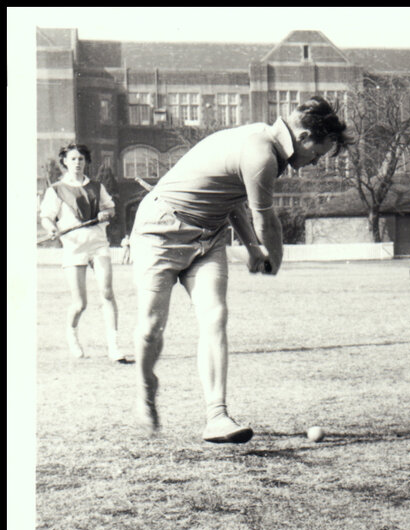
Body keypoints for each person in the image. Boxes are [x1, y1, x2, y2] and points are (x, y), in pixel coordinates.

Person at [130, 95, 350, 442]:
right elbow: (266, 220)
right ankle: (146, 388)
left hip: (210, 237)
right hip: (160, 232)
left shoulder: (266, 144)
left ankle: (216, 416)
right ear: (304, 136)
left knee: (215, 316)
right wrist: (274, 259)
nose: (314, 162)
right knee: (150, 329)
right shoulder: (261, 152)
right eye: (317, 154)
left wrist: (251, 247)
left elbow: (231, 198)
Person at [39, 143, 129, 363]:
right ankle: (72, 334)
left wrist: (106, 214)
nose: (77, 163)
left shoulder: (97, 187)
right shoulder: (56, 190)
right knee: (80, 304)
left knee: (107, 293)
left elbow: (110, 208)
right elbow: (47, 217)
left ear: (86, 161)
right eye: (73, 159)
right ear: (65, 162)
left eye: (81, 159)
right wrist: (51, 228)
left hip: (98, 245)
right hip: (74, 247)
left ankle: (114, 346)